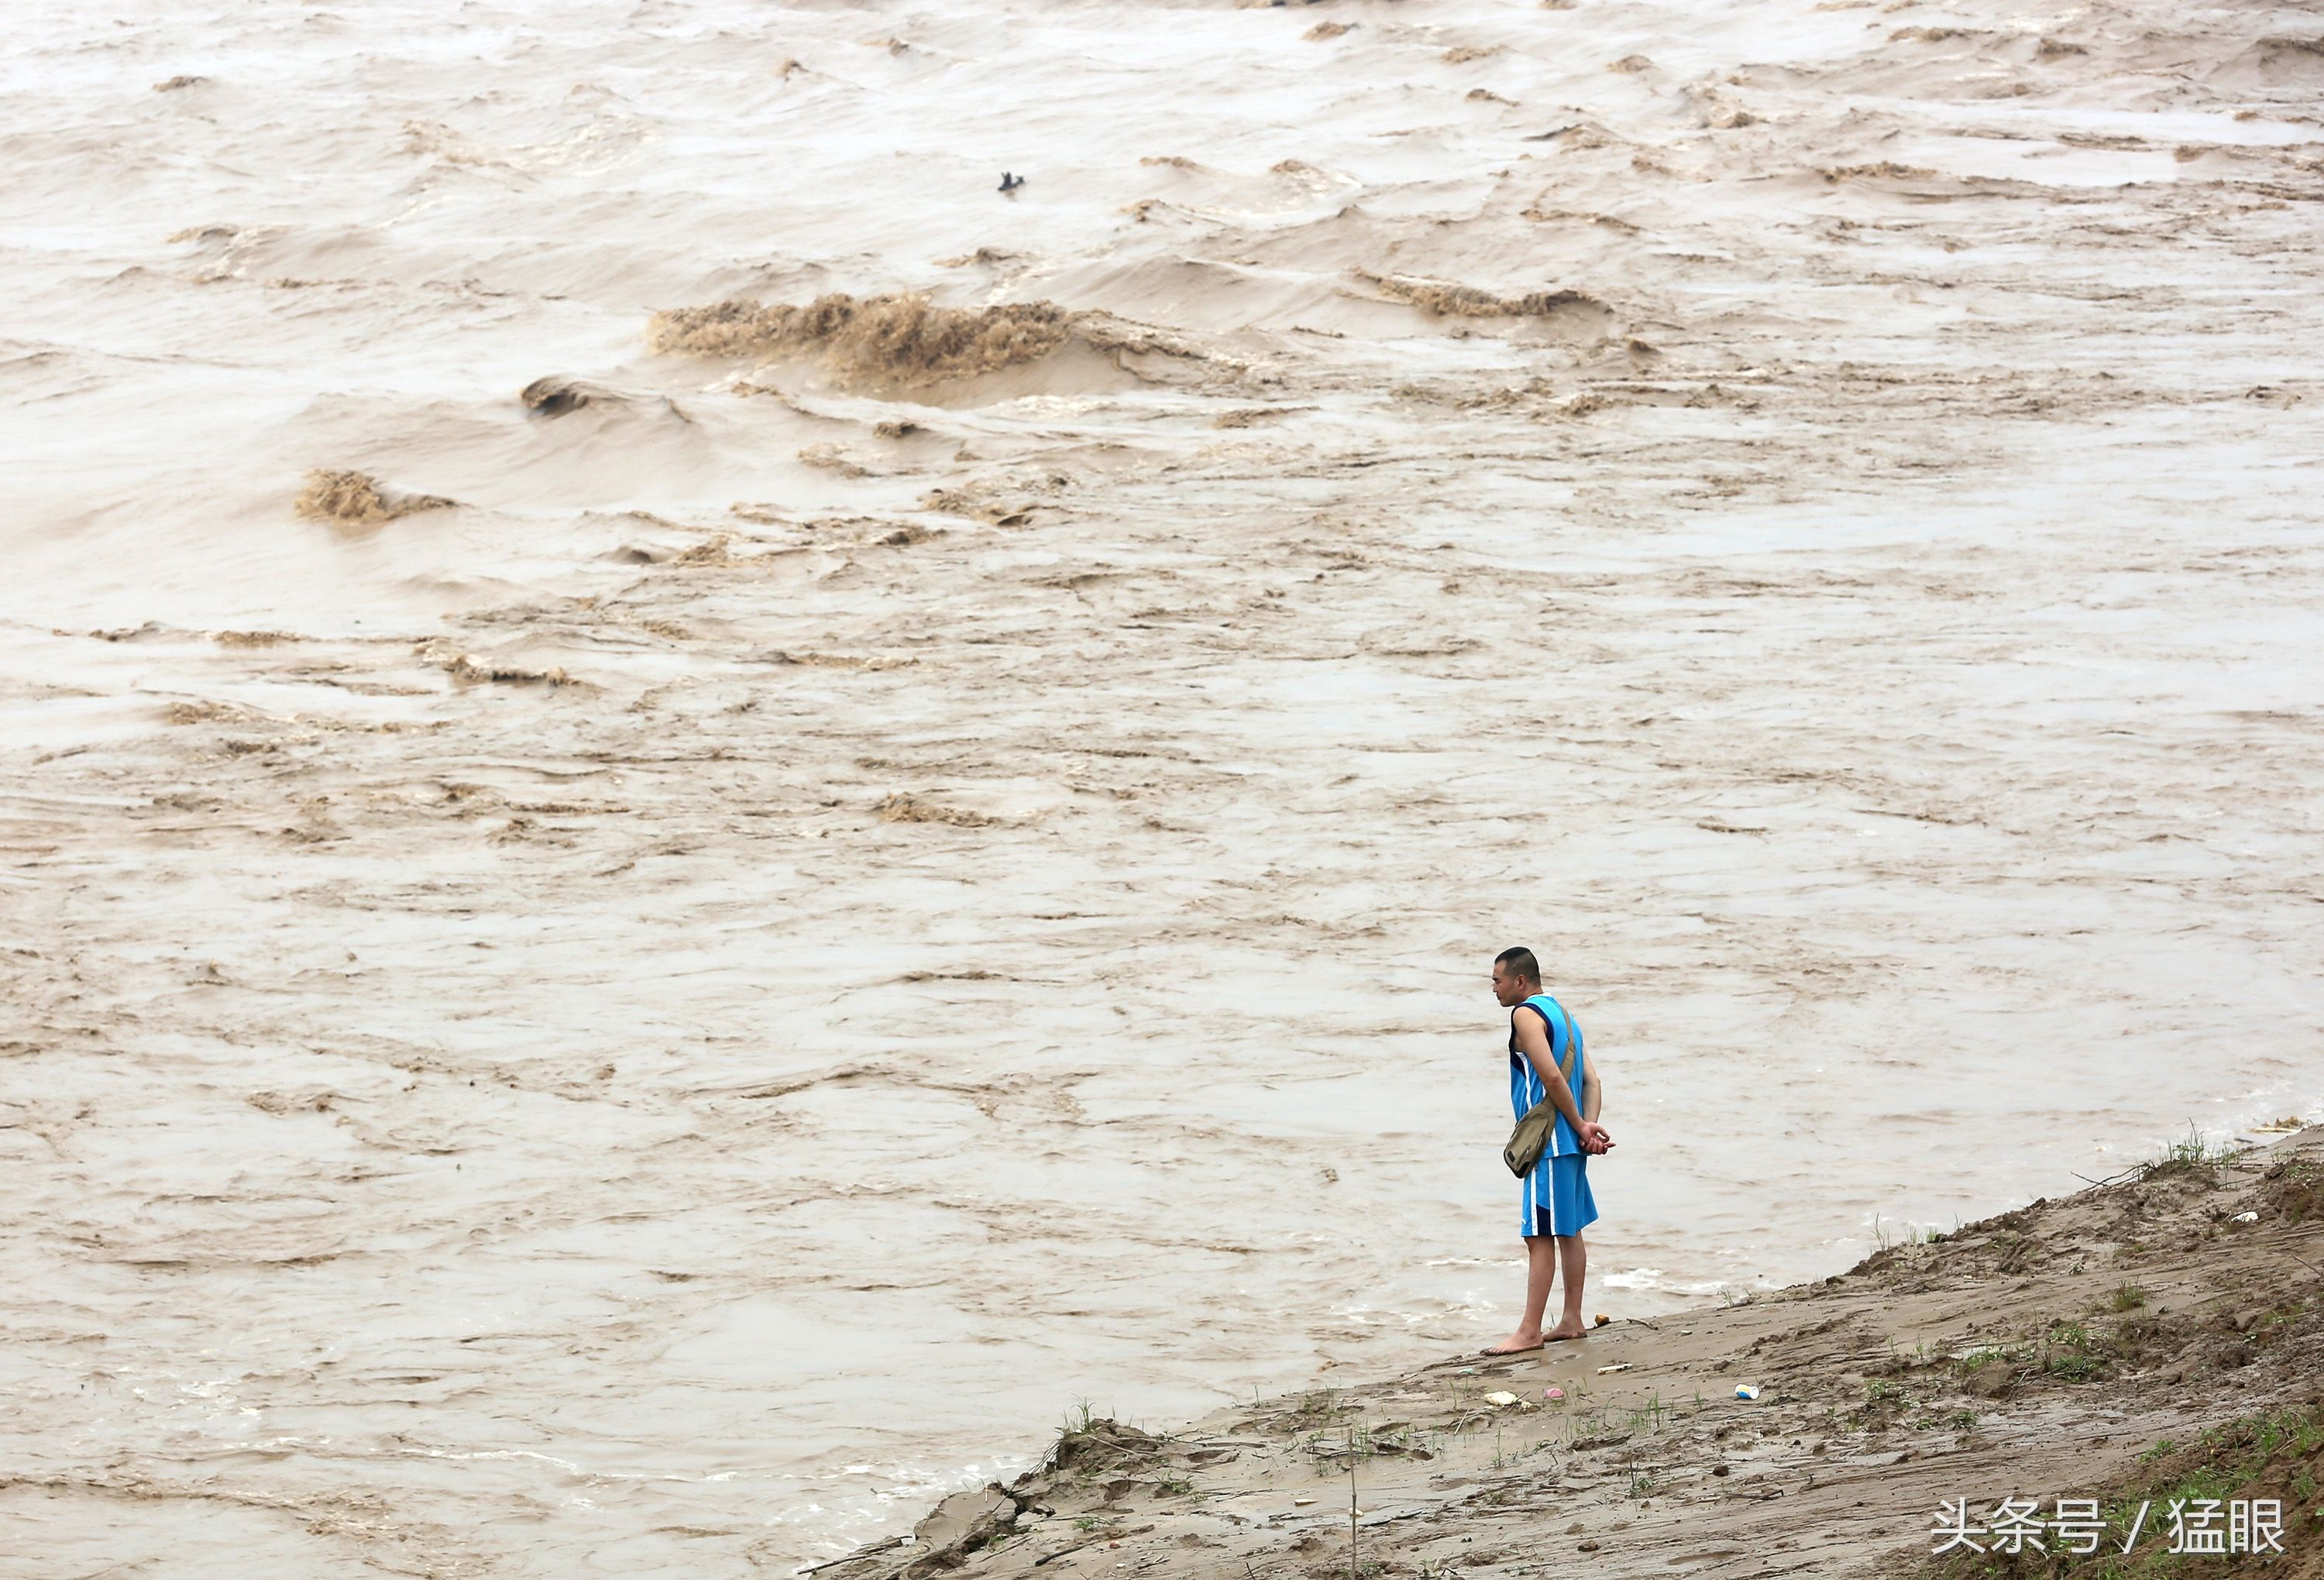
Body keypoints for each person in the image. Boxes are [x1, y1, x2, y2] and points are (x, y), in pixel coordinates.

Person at [1483, 945, 1611, 1355]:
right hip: (1570, 1143)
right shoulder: (1564, 1016)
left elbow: (1552, 1078)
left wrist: (1576, 1127)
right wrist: (1587, 1131)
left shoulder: (1525, 1015)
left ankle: (1529, 1331)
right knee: (1569, 1231)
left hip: (1549, 1143)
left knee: (1538, 1236)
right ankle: (1572, 1320)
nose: (1494, 989)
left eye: (1497, 980)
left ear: (1520, 981)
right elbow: (1591, 1081)